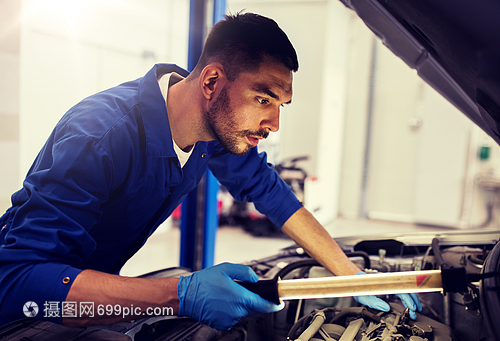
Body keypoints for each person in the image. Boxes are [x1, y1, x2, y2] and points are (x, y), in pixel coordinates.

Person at [0, 13, 420, 331]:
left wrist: (348, 275)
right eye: (262, 99)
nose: (274, 124)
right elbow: (17, 283)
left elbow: (272, 194)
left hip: (88, 297)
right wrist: (179, 296)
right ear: (211, 82)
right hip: (28, 313)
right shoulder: (101, 134)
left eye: (280, 106)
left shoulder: (210, 134)